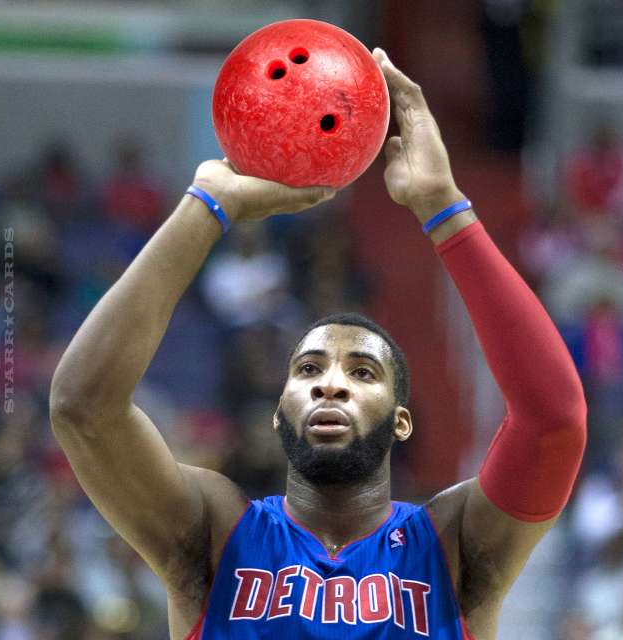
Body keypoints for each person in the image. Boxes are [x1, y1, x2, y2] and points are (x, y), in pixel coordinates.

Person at [49, 48, 587, 640]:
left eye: (363, 372)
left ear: (402, 422)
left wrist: (443, 207)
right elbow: (83, 407)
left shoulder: (454, 546)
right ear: (281, 414)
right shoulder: (214, 534)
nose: (329, 381)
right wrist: (206, 205)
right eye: (307, 369)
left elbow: (553, 420)